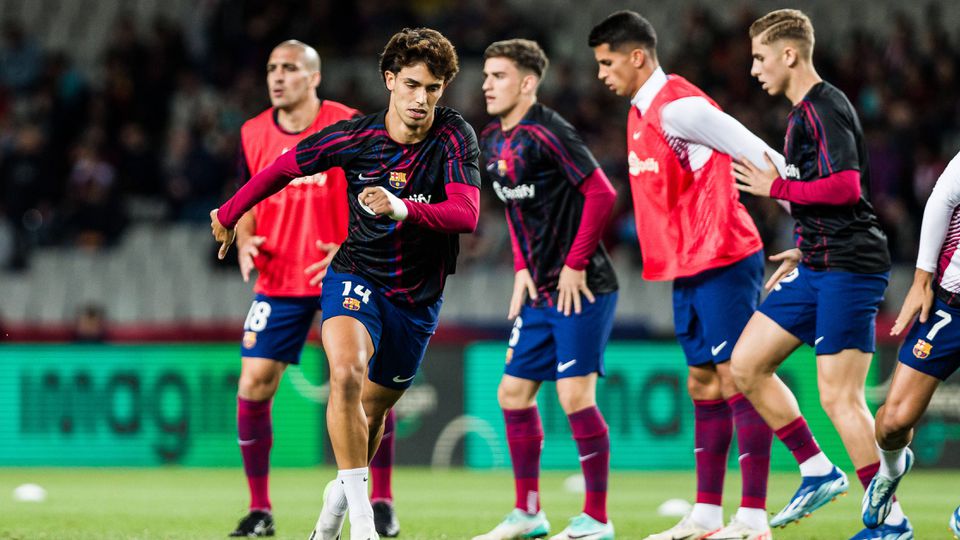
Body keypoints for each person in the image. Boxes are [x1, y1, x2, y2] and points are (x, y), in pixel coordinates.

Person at [211, 27, 480, 540]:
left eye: (433, 88)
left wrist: (402, 208)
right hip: (355, 274)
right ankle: (362, 523)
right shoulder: (357, 136)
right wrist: (229, 213)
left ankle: (338, 503)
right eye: (411, 85)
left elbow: (466, 214)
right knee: (347, 373)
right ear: (389, 81)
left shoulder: (454, 136)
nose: (421, 99)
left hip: (418, 297)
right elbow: (283, 168)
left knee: (373, 411)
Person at [588, 11, 785, 540]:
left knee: (737, 377)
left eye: (607, 62)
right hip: (688, 264)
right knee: (702, 380)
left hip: (723, 254)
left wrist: (814, 224)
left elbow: (759, 152)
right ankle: (705, 514)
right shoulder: (639, 111)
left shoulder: (681, 105)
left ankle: (753, 516)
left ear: (637, 56)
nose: (601, 74)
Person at [732, 9, 911, 539]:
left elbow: (846, 187)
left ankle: (889, 525)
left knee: (839, 397)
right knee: (745, 364)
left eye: (761, 58)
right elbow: (828, 198)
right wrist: (804, 243)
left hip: (850, 268)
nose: (755, 70)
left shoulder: (822, 108)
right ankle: (816, 468)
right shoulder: (802, 114)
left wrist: (777, 190)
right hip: (817, 263)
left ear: (789, 54)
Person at [227, 40, 400, 538]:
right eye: (271, 68)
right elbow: (251, 188)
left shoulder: (348, 122)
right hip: (279, 277)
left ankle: (380, 501)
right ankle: (260, 509)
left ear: (314, 77)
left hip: (344, 272)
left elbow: (375, 188)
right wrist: (243, 237)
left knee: (365, 387)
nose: (278, 77)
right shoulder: (252, 131)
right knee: (254, 382)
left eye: (289, 68)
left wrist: (353, 245)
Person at [471, 39, 618, 540]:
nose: (486, 84)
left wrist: (576, 264)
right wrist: (520, 267)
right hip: (539, 289)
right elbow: (516, 212)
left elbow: (602, 192)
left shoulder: (550, 131)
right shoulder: (491, 140)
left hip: (583, 287)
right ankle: (529, 513)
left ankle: (597, 519)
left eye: (498, 76)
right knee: (512, 393)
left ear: (528, 83)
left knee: (576, 396)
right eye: (486, 75)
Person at [860, 150, 960, 534]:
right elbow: (942, 199)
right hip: (951, 304)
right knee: (893, 422)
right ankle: (892, 468)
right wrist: (921, 280)